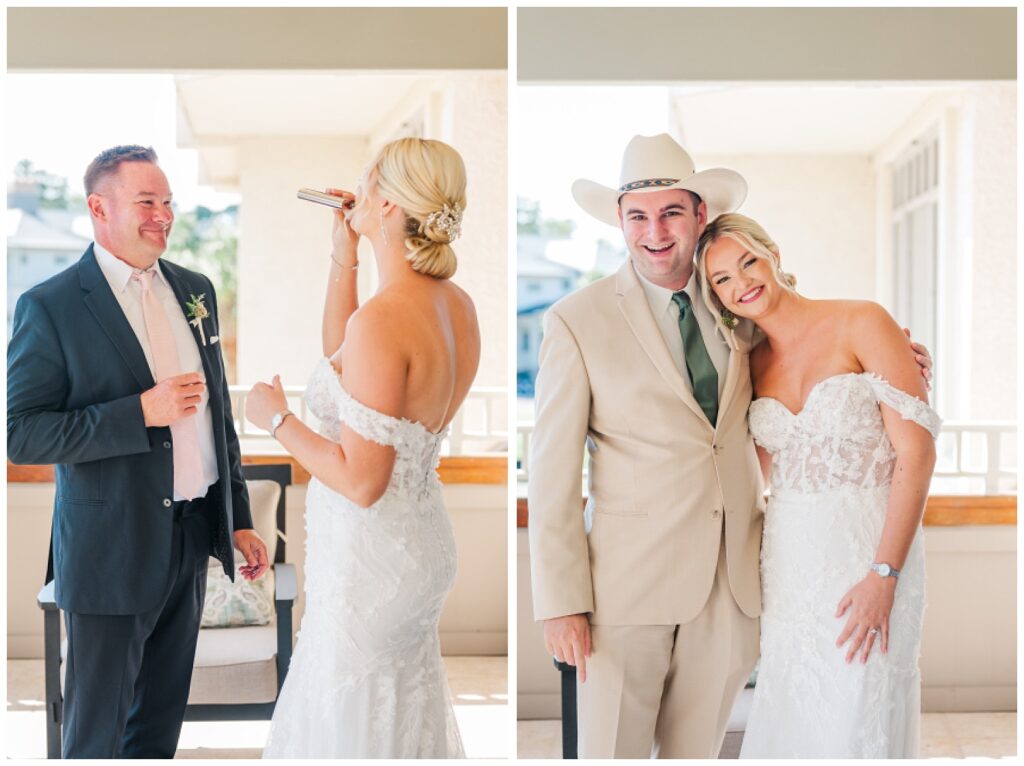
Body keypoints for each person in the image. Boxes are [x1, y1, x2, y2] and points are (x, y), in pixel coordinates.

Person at [527, 133, 932, 758]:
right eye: (638, 216)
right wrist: (560, 603)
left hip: (734, 590)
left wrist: (901, 375)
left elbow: (794, 406)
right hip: (624, 592)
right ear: (621, 221)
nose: (654, 231)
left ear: (698, 215)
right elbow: (552, 474)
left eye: (670, 213)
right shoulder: (575, 321)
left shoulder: (740, 316)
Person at [7, 145, 270, 758]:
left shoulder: (194, 290)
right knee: (97, 734)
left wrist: (238, 520)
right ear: (99, 207)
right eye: (146, 201)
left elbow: (219, 420)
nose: (163, 215)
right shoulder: (51, 306)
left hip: (190, 538)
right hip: (108, 552)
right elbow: (21, 434)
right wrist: (138, 413)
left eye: (168, 202)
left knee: (157, 728)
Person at [246, 137, 479, 758]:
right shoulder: (455, 306)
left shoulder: (384, 320)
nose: (355, 193)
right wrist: (341, 257)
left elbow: (361, 480)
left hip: (371, 563)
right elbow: (346, 364)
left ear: (386, 206)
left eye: (364, 184)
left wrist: (277, 422)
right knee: (396, 713)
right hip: (417, 546)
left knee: (349, 716)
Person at [696, 213, 939, 758]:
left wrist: (884, 574)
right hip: (790, 565)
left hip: (870, 553)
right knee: (797, 711)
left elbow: (917, 453)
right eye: (722, 280)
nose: (742, 283)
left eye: (747, 263)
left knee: (862, 710)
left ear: (774, 255)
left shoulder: (862, 321)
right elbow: (754, 473)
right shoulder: (746, 362)